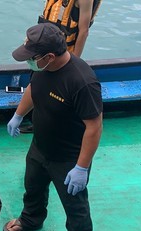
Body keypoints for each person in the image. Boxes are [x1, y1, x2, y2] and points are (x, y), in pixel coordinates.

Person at [5, 23, 103, 231]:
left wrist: (81, 167)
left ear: (50, 56)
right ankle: (31, 219)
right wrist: (18, 115)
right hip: (40, 147)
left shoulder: (82, 82)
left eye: (32, 58)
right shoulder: (41, 67)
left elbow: (94, 127)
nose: (28, 62)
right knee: (33, 188)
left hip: (68, 158)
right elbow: (32, 88)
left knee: (74, 204)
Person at [21, 0, 102, 134]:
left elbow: (83, 31)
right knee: (38, 83)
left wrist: (74, 61)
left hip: (63, 54)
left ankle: (56, 125)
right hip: (44, 51)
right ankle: (37, 122)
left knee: (57, 91)